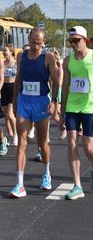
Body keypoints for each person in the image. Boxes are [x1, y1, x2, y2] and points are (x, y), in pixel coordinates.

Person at [9, 28, 59, 198]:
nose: (36, 46)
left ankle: (46, 172)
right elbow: (18, 80)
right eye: (33, 42)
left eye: (39, 43)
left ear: (43, 42)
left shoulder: (48, 57)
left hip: (41, 102)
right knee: (22, 141)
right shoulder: (21, 56)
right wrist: (14, 102)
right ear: (28, 39)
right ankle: (20, 184)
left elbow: (56, 82)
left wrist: (54, 102)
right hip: (24, 100)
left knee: (42, 142)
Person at [59, 26, 93, 200]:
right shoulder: (67, 61)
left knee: (88, 147)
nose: (73, 44)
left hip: (90, 108)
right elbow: (64, 88)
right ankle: (77, 186)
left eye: (76, 40)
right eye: (71, 41)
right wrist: (61, 114)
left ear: (85, 40)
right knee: (72, 144)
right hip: (72, 107)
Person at [1, 44, 18, 146]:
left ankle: (16, 135)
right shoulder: (2, 63)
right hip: (4, 88)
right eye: (3, 50)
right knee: (5, 115)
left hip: (13, 88)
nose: (3, 52)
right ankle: (10, 135)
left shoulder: (16, 63)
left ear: (11, 52)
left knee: (10, 114)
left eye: (5, 50)